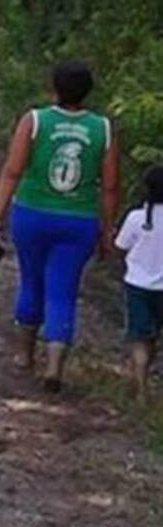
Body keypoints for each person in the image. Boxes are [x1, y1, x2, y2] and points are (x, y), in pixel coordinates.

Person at [0, 61, 120, 393]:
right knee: (63, 289)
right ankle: (54, 367)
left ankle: (24, 355)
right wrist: (107, 231)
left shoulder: (34, 121)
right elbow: (110, 187)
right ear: (88, 91)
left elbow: (12, 171)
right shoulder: (102, 128)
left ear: (54, 87)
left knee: (31, 281)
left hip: (32, 215)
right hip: (78, 221)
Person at [114, 165, 163, 402]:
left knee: (140, 337)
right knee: (153, 338)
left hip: (138, 286)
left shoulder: (137, 218)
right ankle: (139, 381)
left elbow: (120, 245)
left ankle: (140, 387)